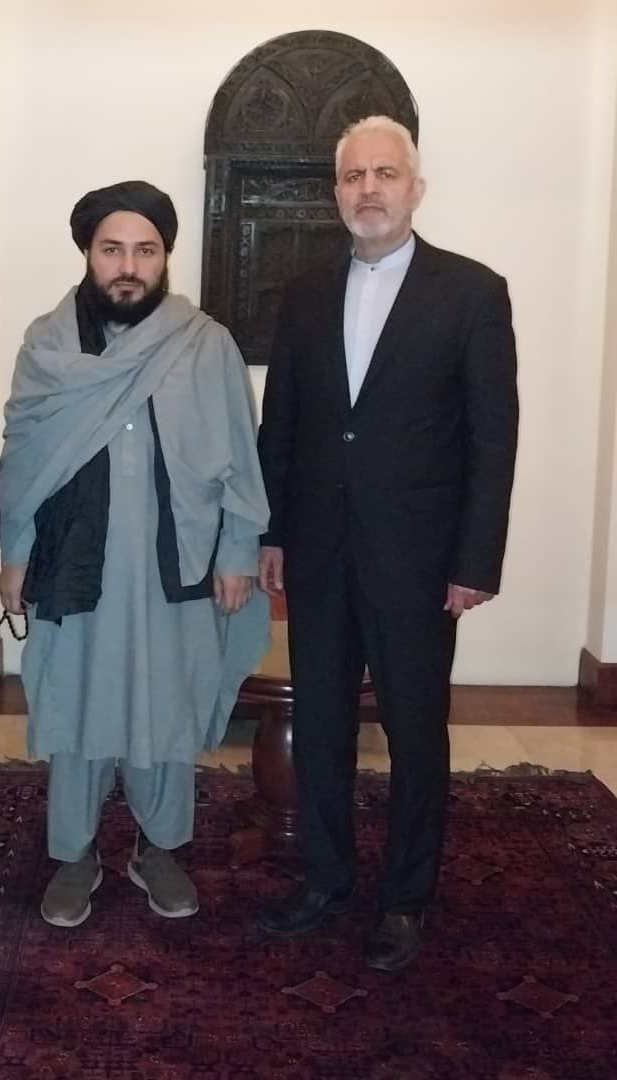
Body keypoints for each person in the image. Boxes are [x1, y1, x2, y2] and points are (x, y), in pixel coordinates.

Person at [256, 116, 519, 972]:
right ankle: (325, 879)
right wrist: (272, 532)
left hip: (420, 561)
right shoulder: (303, 294)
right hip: (319, 553)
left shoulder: (472, 292)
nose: (368, 189)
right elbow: (281, 425)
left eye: (385, 174)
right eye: (353, 176)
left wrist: (475, 561)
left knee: (414, 730)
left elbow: (492, 439)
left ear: (416, 188)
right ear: (335, 192)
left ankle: (406, 899)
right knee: (321, 724)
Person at [0, 180, 269, 929]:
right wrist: (16, 553)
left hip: (174, 562)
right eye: (112, 249)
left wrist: (238, 550)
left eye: (145, 250)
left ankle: (159, 847)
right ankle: (74, 853)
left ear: (165, 257)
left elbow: (240, 455)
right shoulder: (47, 346)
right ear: (88, 254)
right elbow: (23, 458)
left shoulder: (206, 344)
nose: (128, 266)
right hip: (74, 560)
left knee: (166, 703)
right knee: (76, 701)